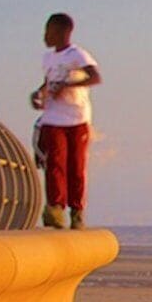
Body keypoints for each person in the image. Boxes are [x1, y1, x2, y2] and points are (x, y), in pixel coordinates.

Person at [31, 14, 100, 230]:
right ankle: (55, 208)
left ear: (62, 32)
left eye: (48, 31)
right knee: (55, 163)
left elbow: (94, 77)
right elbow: (47, 81)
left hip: (76, 117)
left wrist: (68, 86)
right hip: (53, 117)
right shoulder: (47, 58)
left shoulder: (77, 54)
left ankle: (77, 211)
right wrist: (39, 93)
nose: (45, 36)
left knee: (76, 165)